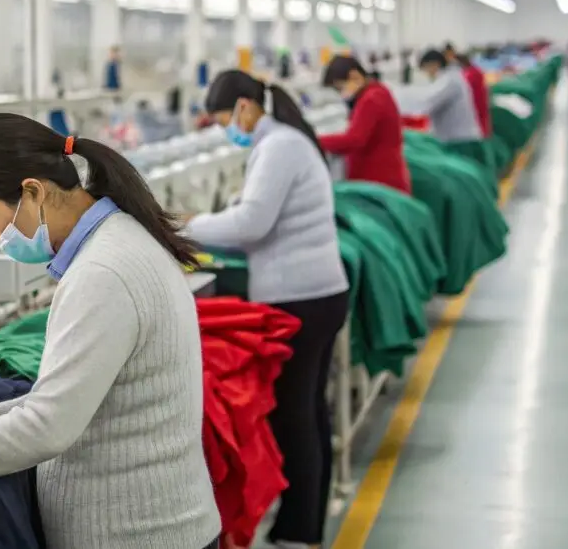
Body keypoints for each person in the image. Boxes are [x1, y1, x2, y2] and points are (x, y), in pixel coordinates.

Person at [0, 112, 221, 549]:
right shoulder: (120, 239)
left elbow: (48, 428)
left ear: (33, 192)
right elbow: (69, 401)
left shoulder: (102, 273)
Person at [183, 70, 349, 549]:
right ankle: (306, 524)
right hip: (319, 293)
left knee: (294, 417)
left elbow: (251, 223)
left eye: (224, 121)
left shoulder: (278, 147)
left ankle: (298, 531)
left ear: (244, 107)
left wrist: (187, 225)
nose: (226, 131)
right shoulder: (286, 141)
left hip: (300, 299)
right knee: (309, 412)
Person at [319, 55, 411, 194]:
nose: (341, 93)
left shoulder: (371, 99)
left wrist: (316, 140)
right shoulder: (376, 92)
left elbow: (355, 139)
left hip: (380, 183)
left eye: (340, 87)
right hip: (379, 180)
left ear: (354, 76)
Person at [417, 49, 484, 142]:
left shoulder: (449, 81)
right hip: (457, 137)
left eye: (426, 68)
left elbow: (428, 103)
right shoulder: (450, 78)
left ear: (434, 64)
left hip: (461, 139)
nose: (426, 73)